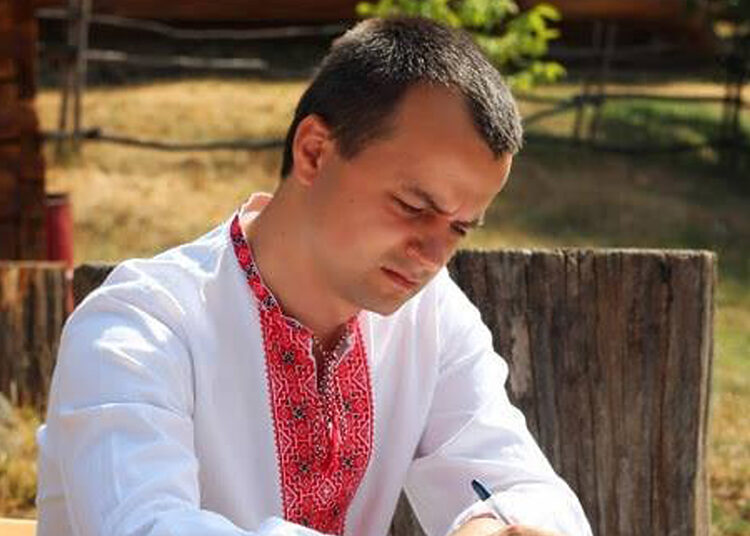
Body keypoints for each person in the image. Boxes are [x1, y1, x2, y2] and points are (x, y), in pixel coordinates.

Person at [36, 16, 593, 536]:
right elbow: (145, 526)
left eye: (461, 228)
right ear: (314, 152)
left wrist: (495, 525)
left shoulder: (430, 316)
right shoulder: (137, 328)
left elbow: (524, 486)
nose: (432, 254)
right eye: (412, 205)